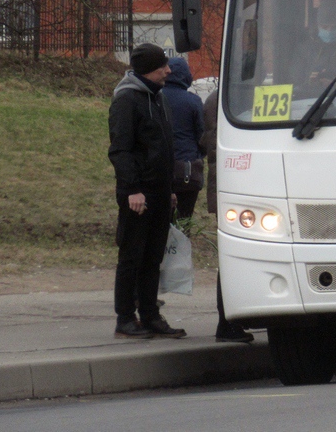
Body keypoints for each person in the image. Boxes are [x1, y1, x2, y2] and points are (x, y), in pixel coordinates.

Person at [108, 43, 187, 339]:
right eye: (161, 67)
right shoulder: (128, 100)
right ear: (146, 70)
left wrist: (169, 189)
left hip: (158, 193)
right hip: (137, 195)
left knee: (153, 258)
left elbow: (164, 148)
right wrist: (132, 189)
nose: (168, 70)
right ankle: (125, 318)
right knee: (132, 256)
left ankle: (150, 314)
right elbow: (121, 150)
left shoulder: (158, 98)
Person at [201, 84, 254, 344]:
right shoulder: (229, 100)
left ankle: (231, 320)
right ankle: (228, 322)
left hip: (225, 185)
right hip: (233, 186)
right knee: (232, 257)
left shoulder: (217, 98)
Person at [161, 57, 204, 219]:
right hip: (187, 169)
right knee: (184, 216)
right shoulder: (193, 101)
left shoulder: (155, 97)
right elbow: (202, 134)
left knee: (162, 219)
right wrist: (198, 155)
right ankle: (182, 241)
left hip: (159, 168)